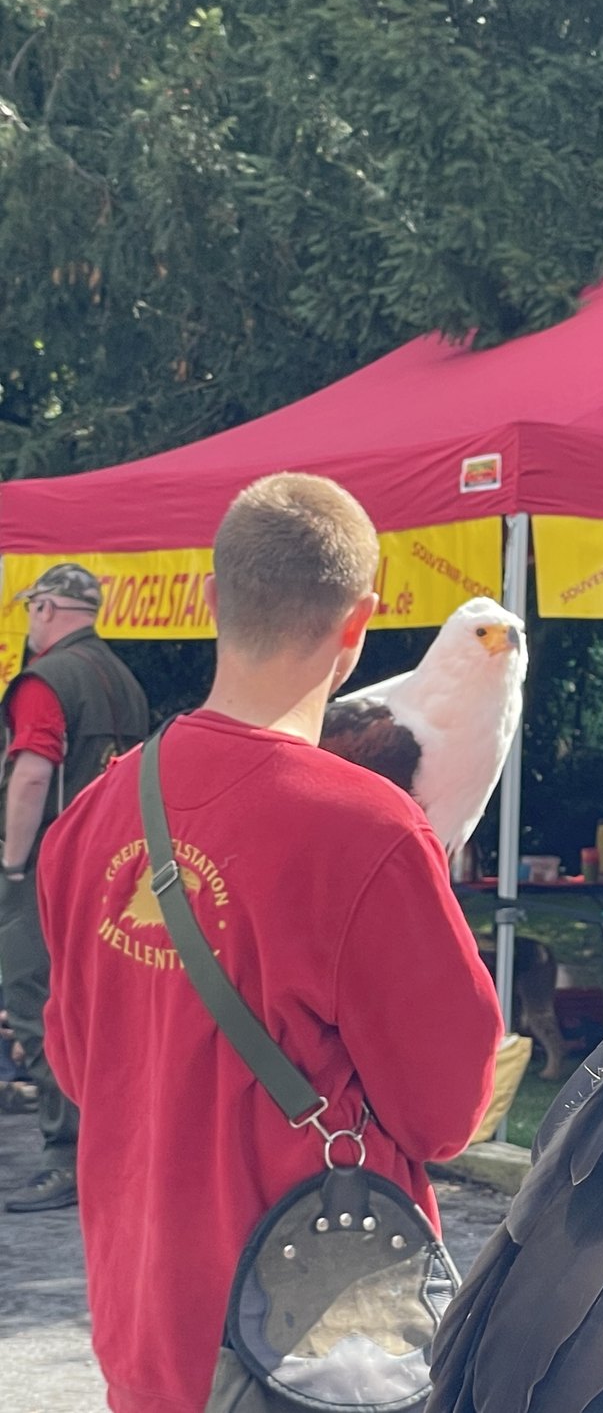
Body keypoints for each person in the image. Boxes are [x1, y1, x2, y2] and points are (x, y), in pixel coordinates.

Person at [38, 473, 503, 1413]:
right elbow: (447, 1112)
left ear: (212, 597)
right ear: (359, 622)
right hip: (302, 1346)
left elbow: (82, 1068)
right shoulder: (370, 831)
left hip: (143, 1327)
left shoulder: (92, 813)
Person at [0, 561, 147, 1213]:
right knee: (99, 1012)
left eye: (30, 609)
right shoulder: (124, 679)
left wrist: (12, 863)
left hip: (48, 868)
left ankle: (67, 1157)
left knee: (37, 1005)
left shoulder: (46, 679)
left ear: (46, 609)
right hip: (113, 869)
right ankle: (113, 1152)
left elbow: (33, 775)